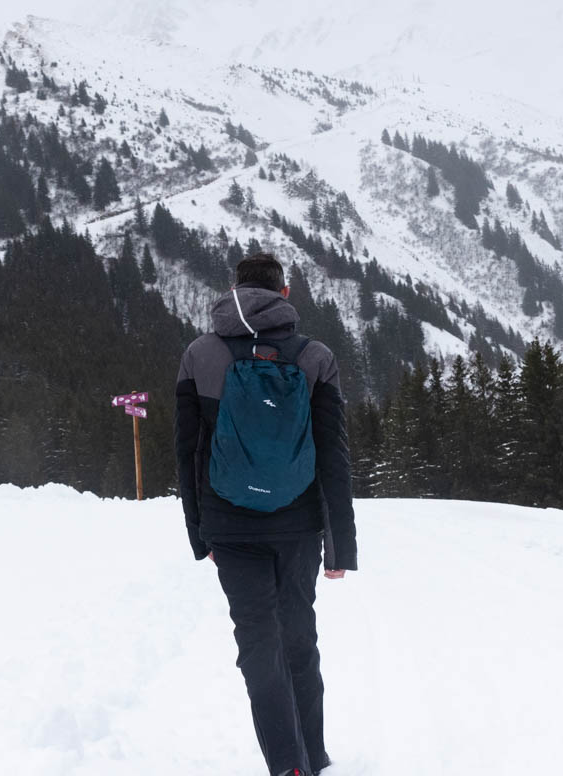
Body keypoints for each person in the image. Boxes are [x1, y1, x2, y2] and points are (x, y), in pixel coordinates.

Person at [174, 252, 358, 776]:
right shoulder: (316, 356)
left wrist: (199, 532)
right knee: (299, 638)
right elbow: (333, 455)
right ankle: (315, 756)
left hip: (229, 527)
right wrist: (338, 546)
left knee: (258, 645)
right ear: (284, 294)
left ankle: (288, 766)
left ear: (234, 290)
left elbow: (187, 452)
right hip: (298, 526)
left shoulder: (199, 355)